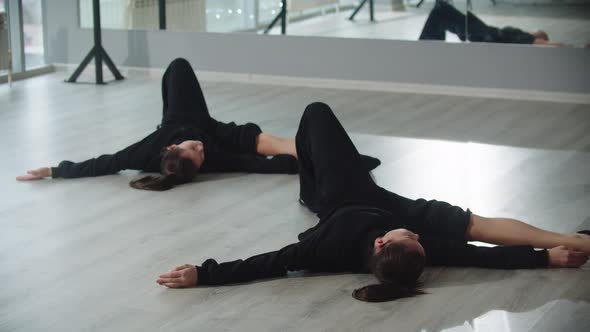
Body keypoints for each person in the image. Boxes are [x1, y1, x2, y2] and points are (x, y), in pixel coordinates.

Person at [156, 102, 589, 302]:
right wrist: (544, 259)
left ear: (381, 244)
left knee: (316, 114)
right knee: (471, 224)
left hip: (340, 197)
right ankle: (576, 240)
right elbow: (480, 257)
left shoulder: (325, 248)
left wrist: (204, 274)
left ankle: (307, 175)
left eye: (412, 239)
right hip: (385, 203)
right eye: (421, 242)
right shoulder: (413, 247)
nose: (420, 236)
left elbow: (266, 263)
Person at [16, 58, 379, 191]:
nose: (200, 150)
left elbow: (104, 163)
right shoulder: (214, 154)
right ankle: (345, 158)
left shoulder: (146, 150)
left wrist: (53, 169)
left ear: (170, 148)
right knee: (272, 145)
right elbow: (264, 167)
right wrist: (306, 164)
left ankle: (338, 157)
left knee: (178, 66)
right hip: (216, 129)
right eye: (200, 157)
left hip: (179, 117)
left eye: (193, 149)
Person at [419, 1, 568, 47]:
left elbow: (559, 47)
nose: (539, 32)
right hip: (487, 33)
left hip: (489, 35)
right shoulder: (516, 34)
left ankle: (425, 50)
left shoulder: (524, 39)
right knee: (441, 11)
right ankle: (426, 49)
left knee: (441, 11)